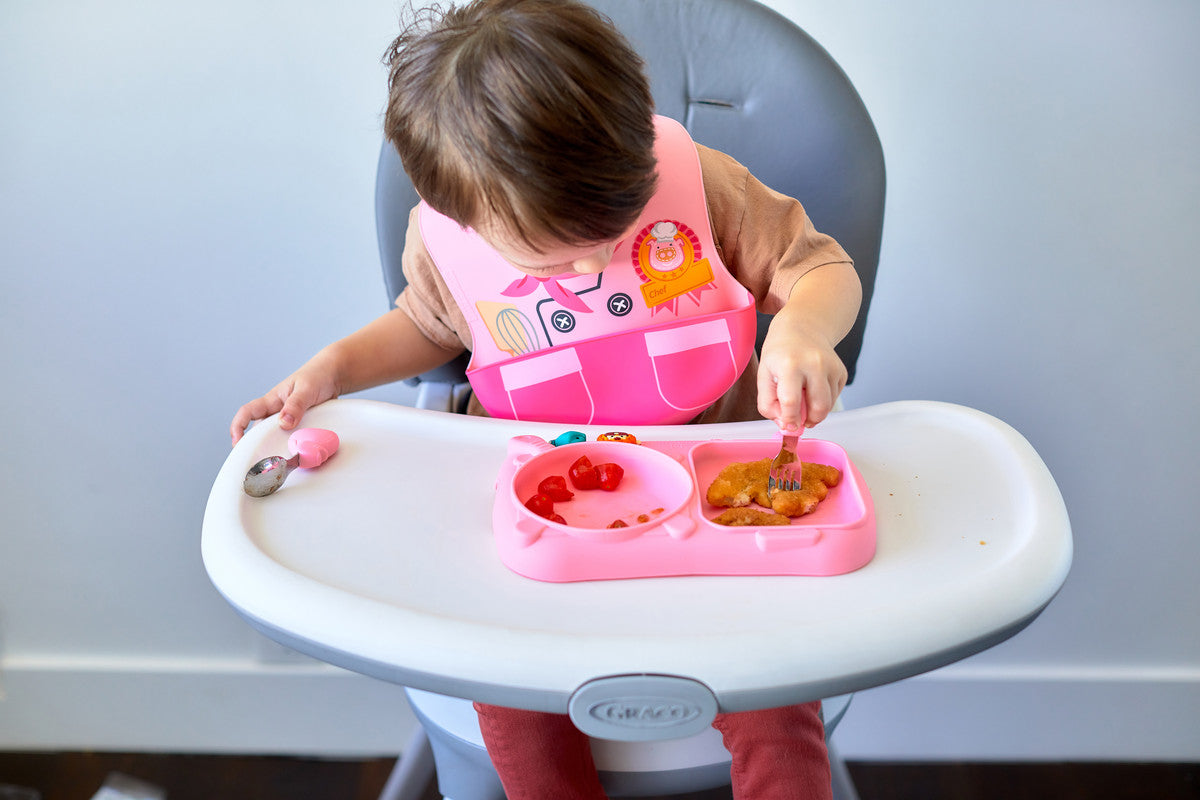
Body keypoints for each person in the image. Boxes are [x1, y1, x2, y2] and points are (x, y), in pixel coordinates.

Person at [232, 1, 861, 797]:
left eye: (613, 232)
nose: (595, 266)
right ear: (466, 217)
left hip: (714, 510)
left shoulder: (702, 184)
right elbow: (426, 327)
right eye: (551, 263)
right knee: (506, 688)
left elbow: (820, 269)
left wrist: (803, 331)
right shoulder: (448, 241)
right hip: (539, 512)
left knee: (779, 701)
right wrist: (332, 369)